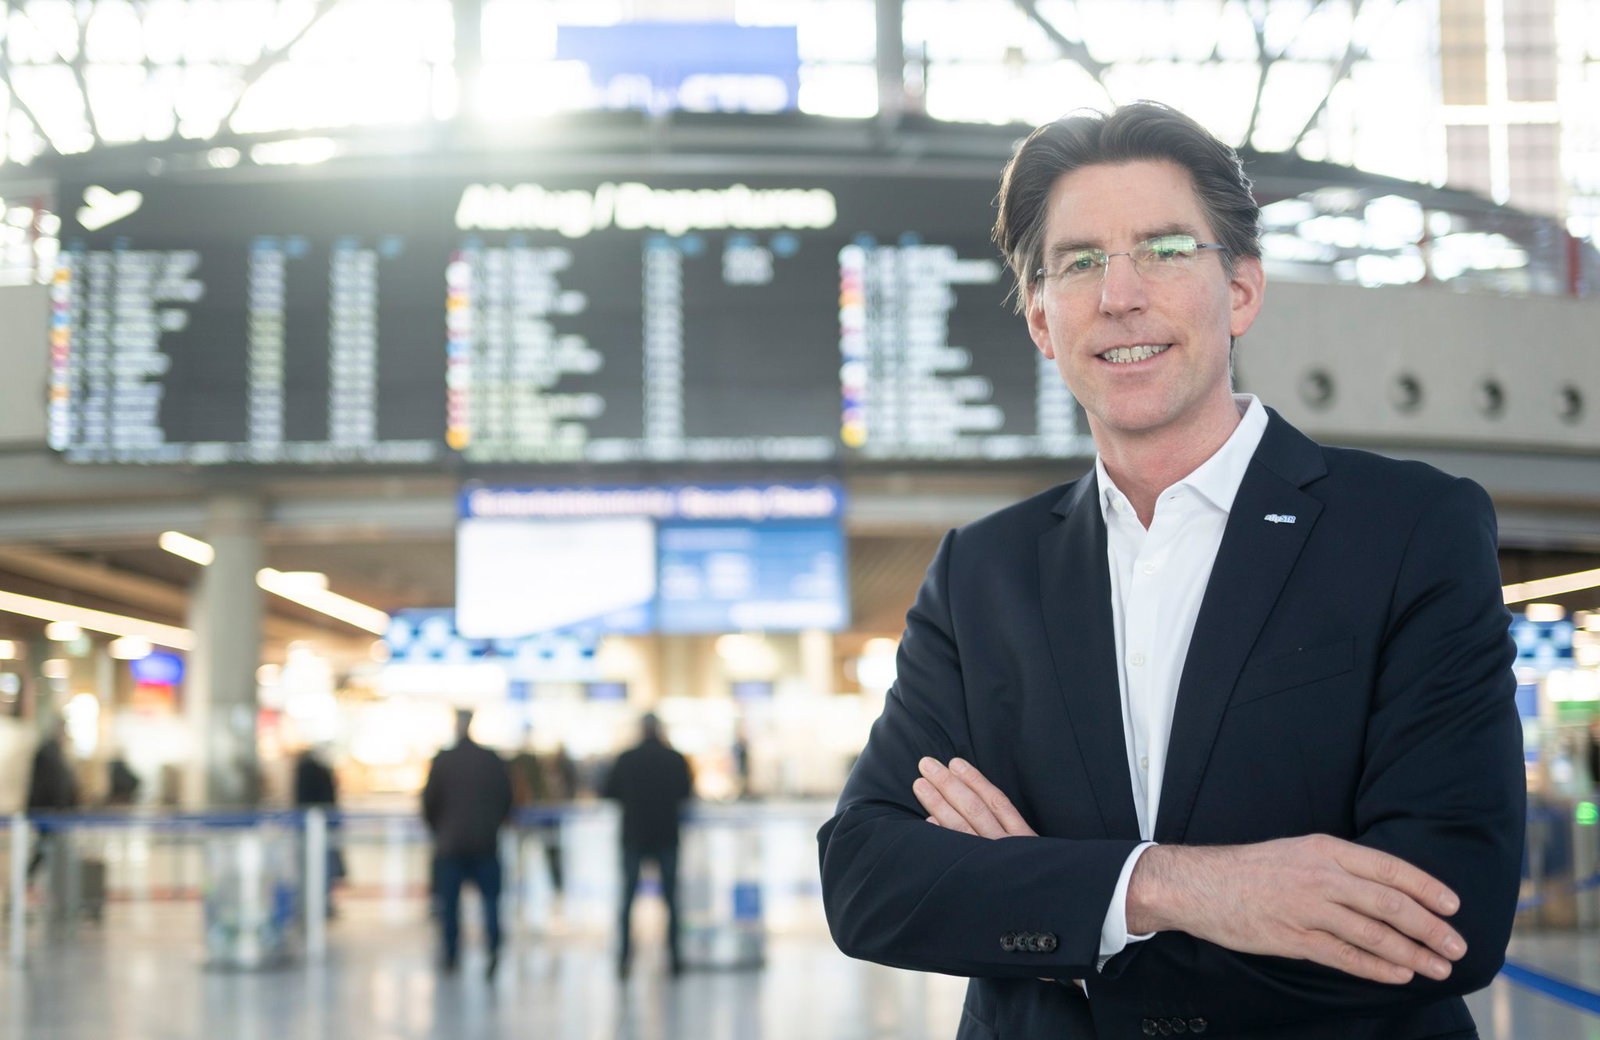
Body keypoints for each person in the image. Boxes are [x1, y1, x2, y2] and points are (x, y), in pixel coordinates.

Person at [817, 101, 1524, 1039]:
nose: (1119, 295)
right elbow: (867, 879)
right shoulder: (982, 574)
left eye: (1164, 249)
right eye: (1079, 262)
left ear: (1241, 289)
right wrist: (1167, 888)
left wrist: (1057, 915)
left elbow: (1445, 917)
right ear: (1041, 318)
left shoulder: (1407, 531)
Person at [422, 710, 513, 978]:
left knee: (450, 905)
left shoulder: (443, 760)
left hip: (450, 844)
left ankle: (451, 954)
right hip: (485, 842)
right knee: (491, 902)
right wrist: (493, 825)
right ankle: (493, 948)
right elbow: (506, 798)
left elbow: (429, 802)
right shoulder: (490, 759)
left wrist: (439, 830)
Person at [602, 712, 693, 977]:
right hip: (666, 835)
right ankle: (674, 957)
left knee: (628, 899)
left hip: (634, 836)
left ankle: (624, 958)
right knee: (671, 900)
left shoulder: (626, 759)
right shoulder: (674, 759)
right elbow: (686, 792)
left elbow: (608, 791)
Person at [293, 744, 344, 915]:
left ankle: (317, 902)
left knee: (319, 866)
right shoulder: (314, 770)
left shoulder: (306, 769)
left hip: (315, 825)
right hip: (318, 824)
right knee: (320, 865)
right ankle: (317, 903)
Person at [26, 719, 78, 881]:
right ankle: (27, 880)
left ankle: (31, 880)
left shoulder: (54, 751)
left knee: (46, 848)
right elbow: (53, 784)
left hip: (53, 811)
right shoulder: (49, 752)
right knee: (44, 847)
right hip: (48, 811)